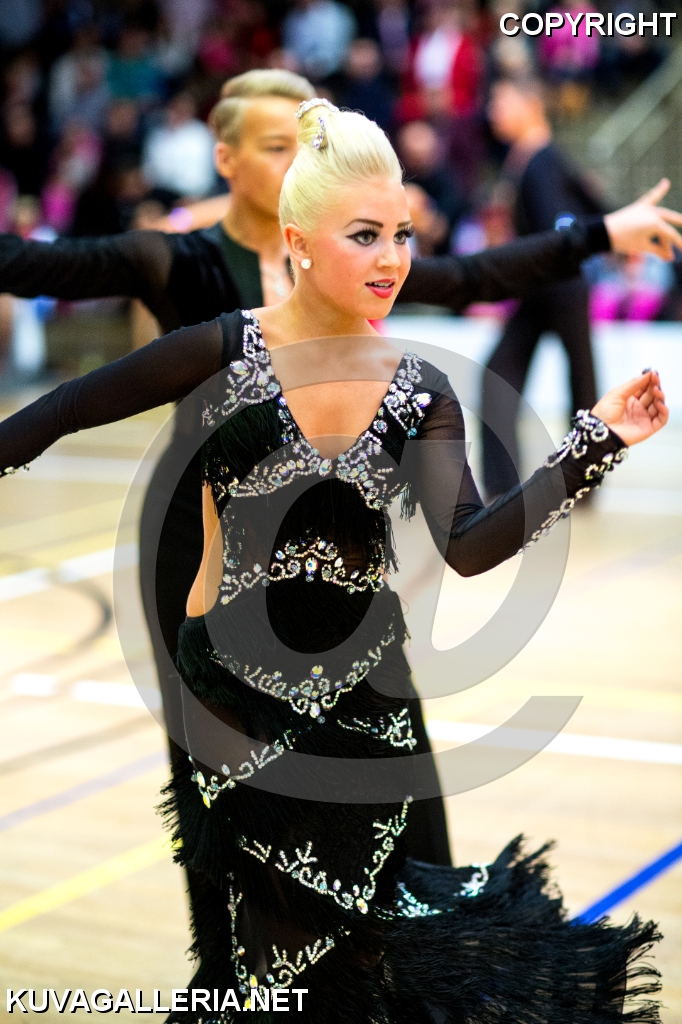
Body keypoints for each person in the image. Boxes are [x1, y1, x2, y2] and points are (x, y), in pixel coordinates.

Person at [0, 99, 668, 1022]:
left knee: (365, 957)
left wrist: (593, 444)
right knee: (252, 959)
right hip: (230, 709)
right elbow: (67, 408)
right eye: (365, 235)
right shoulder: (224, 349)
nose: (392, 258)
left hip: (363, 711)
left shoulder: (419, 390)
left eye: (402, 234)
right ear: (299, 242)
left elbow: (471, 546)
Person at [482, 75, 605, 498]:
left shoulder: (541, 161)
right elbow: (589, 203)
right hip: (543, 287)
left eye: (501, 102)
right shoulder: (532, 158)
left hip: (558, 286)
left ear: (530, 105)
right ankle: (505, 485)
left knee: (579, 383)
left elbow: (560, 225)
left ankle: (577, 479)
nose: (493, 111)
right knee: (507, 378)